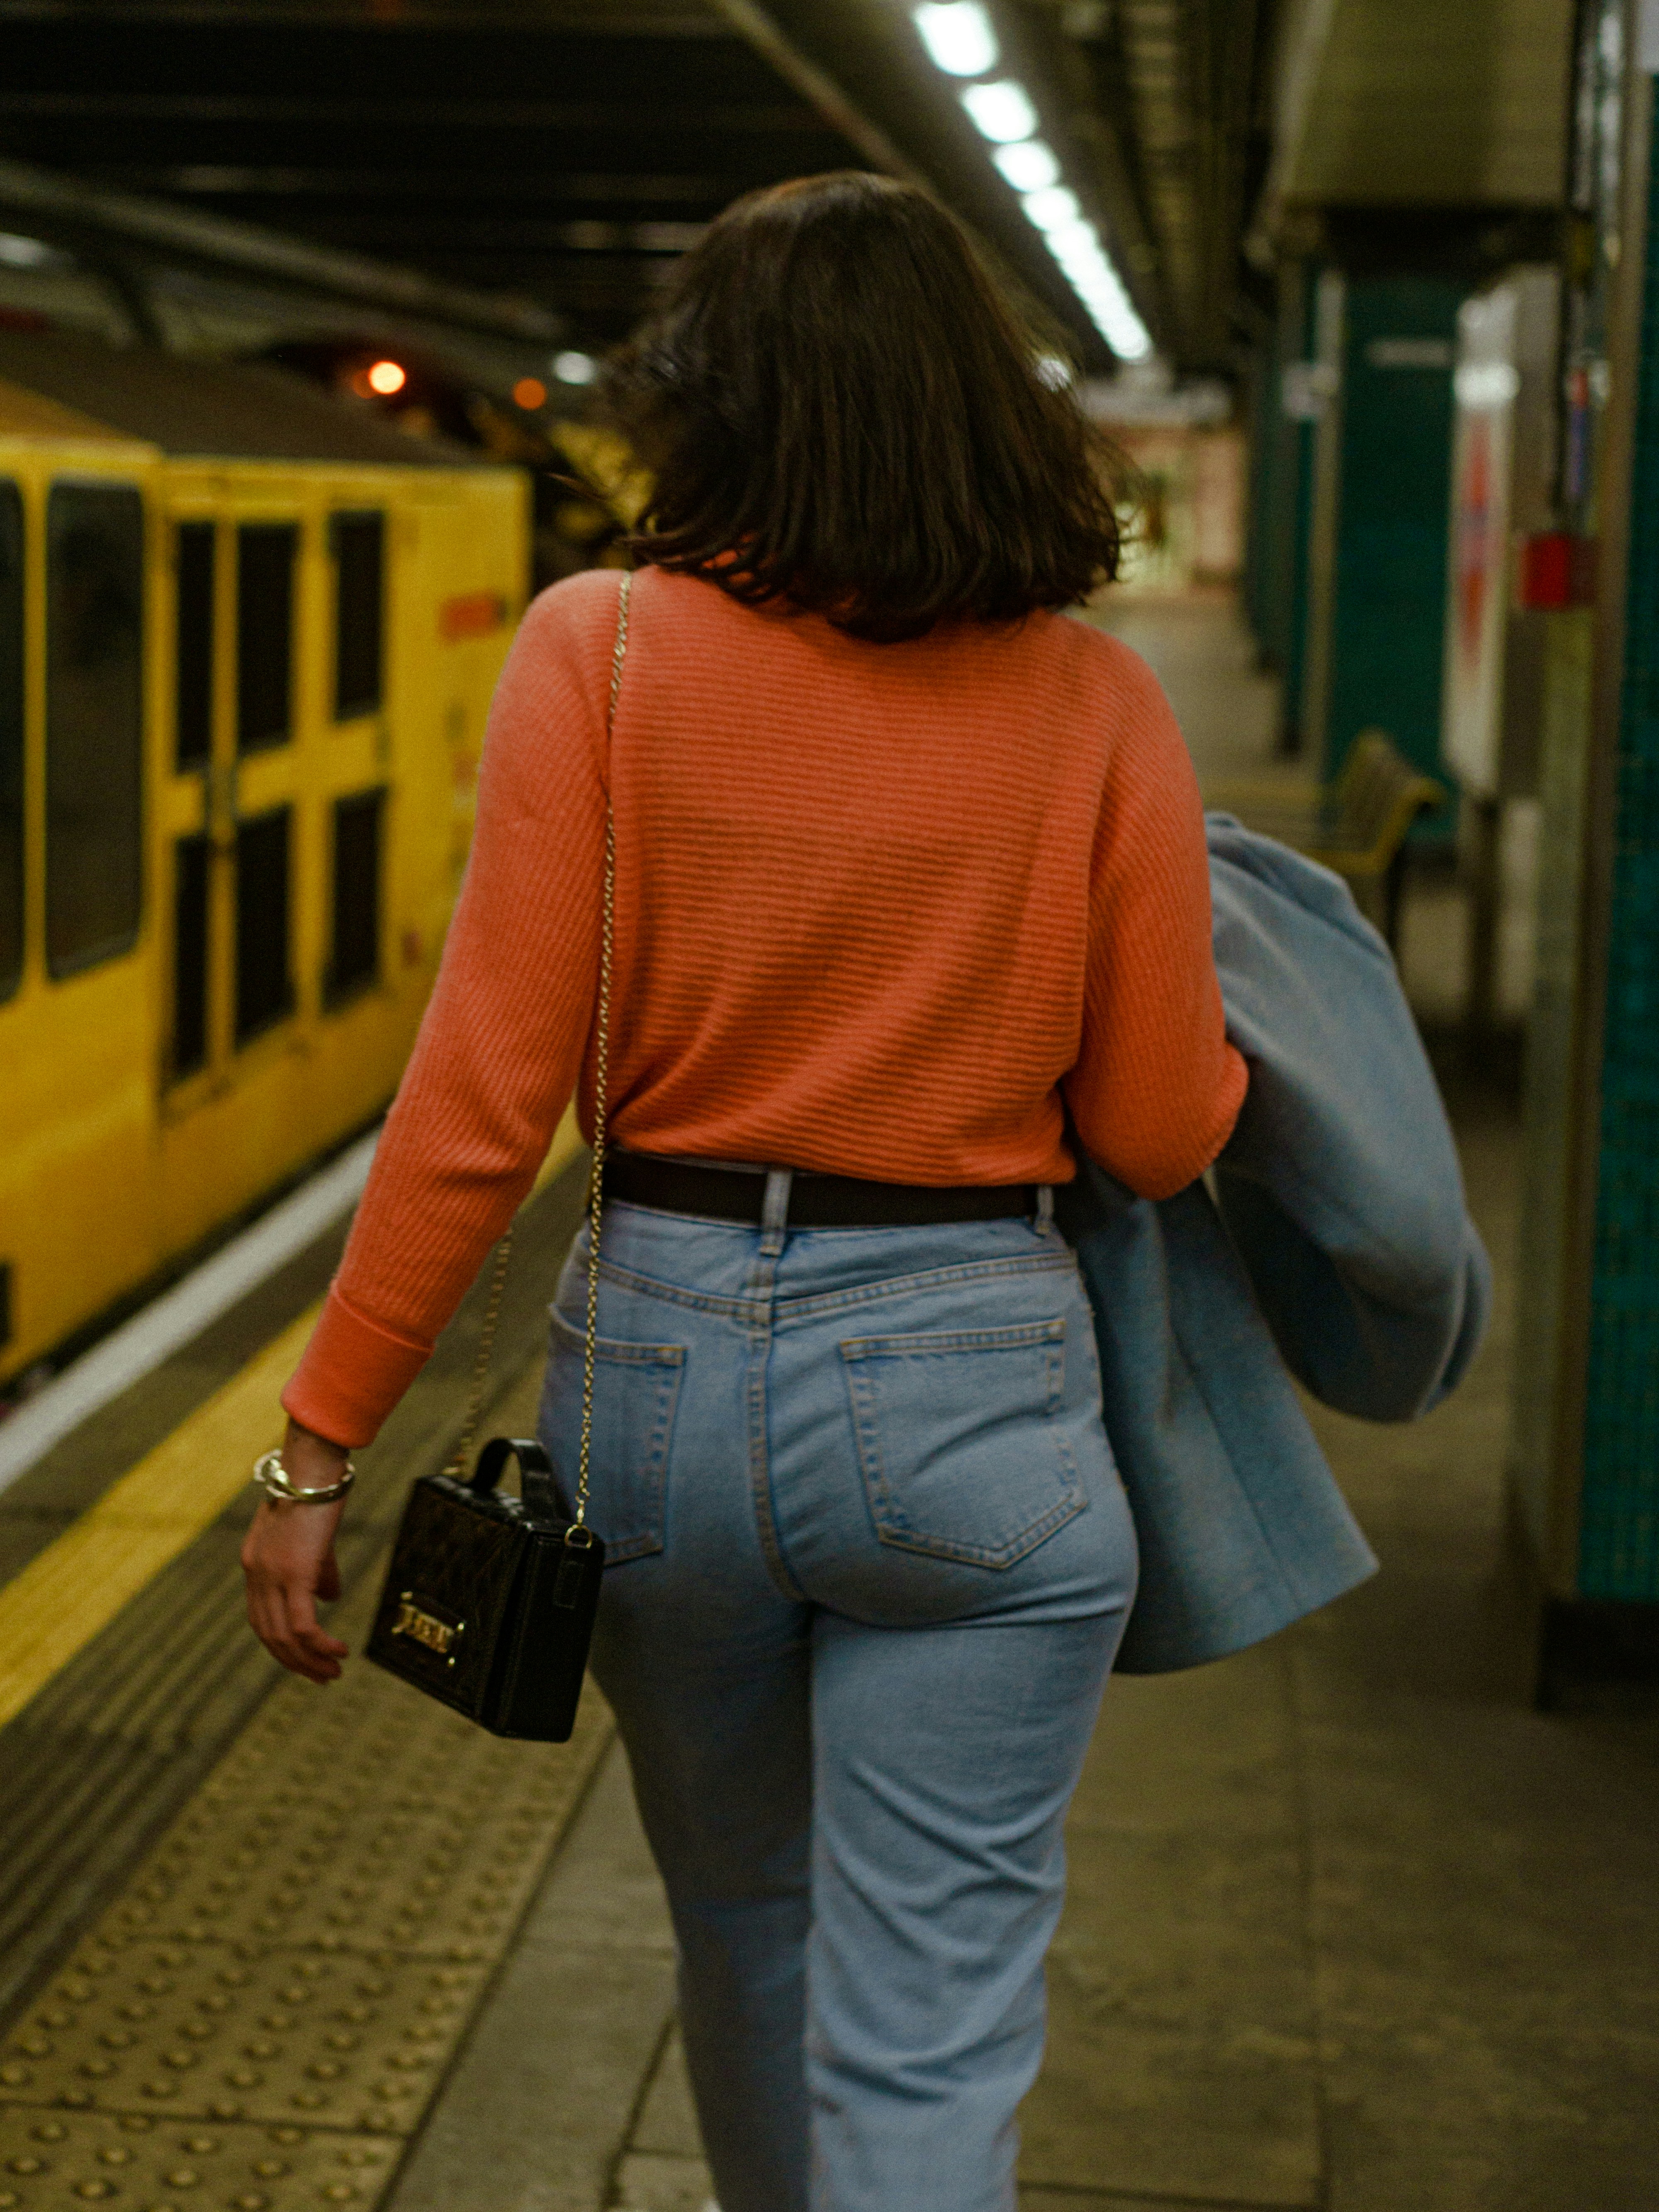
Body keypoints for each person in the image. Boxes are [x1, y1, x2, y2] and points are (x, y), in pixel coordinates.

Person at [243, 172, 1247, 2212]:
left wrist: (318, 1442)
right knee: (931, 2023)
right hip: (973, 1390)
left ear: (704, 406)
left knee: (750, 1932)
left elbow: (478, 1101)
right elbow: (1158, 1132)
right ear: (984, 408)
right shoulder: (1094, 699)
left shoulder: (594, 652)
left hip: (665, 1388)